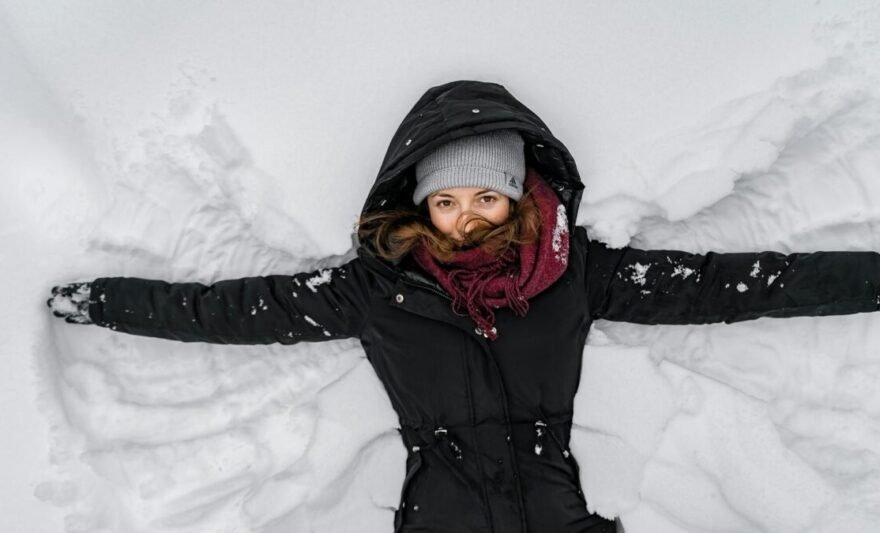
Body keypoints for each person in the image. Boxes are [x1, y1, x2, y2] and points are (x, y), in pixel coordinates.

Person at [47, 80, 880, 533]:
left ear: (519, 196)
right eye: (446, 203)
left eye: (487, 197)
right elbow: (224, 313)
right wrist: (100, 300)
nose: (467, 218)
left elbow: (738, 283)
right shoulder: (375, 291)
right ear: (419, 207)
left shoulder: (574, 272)